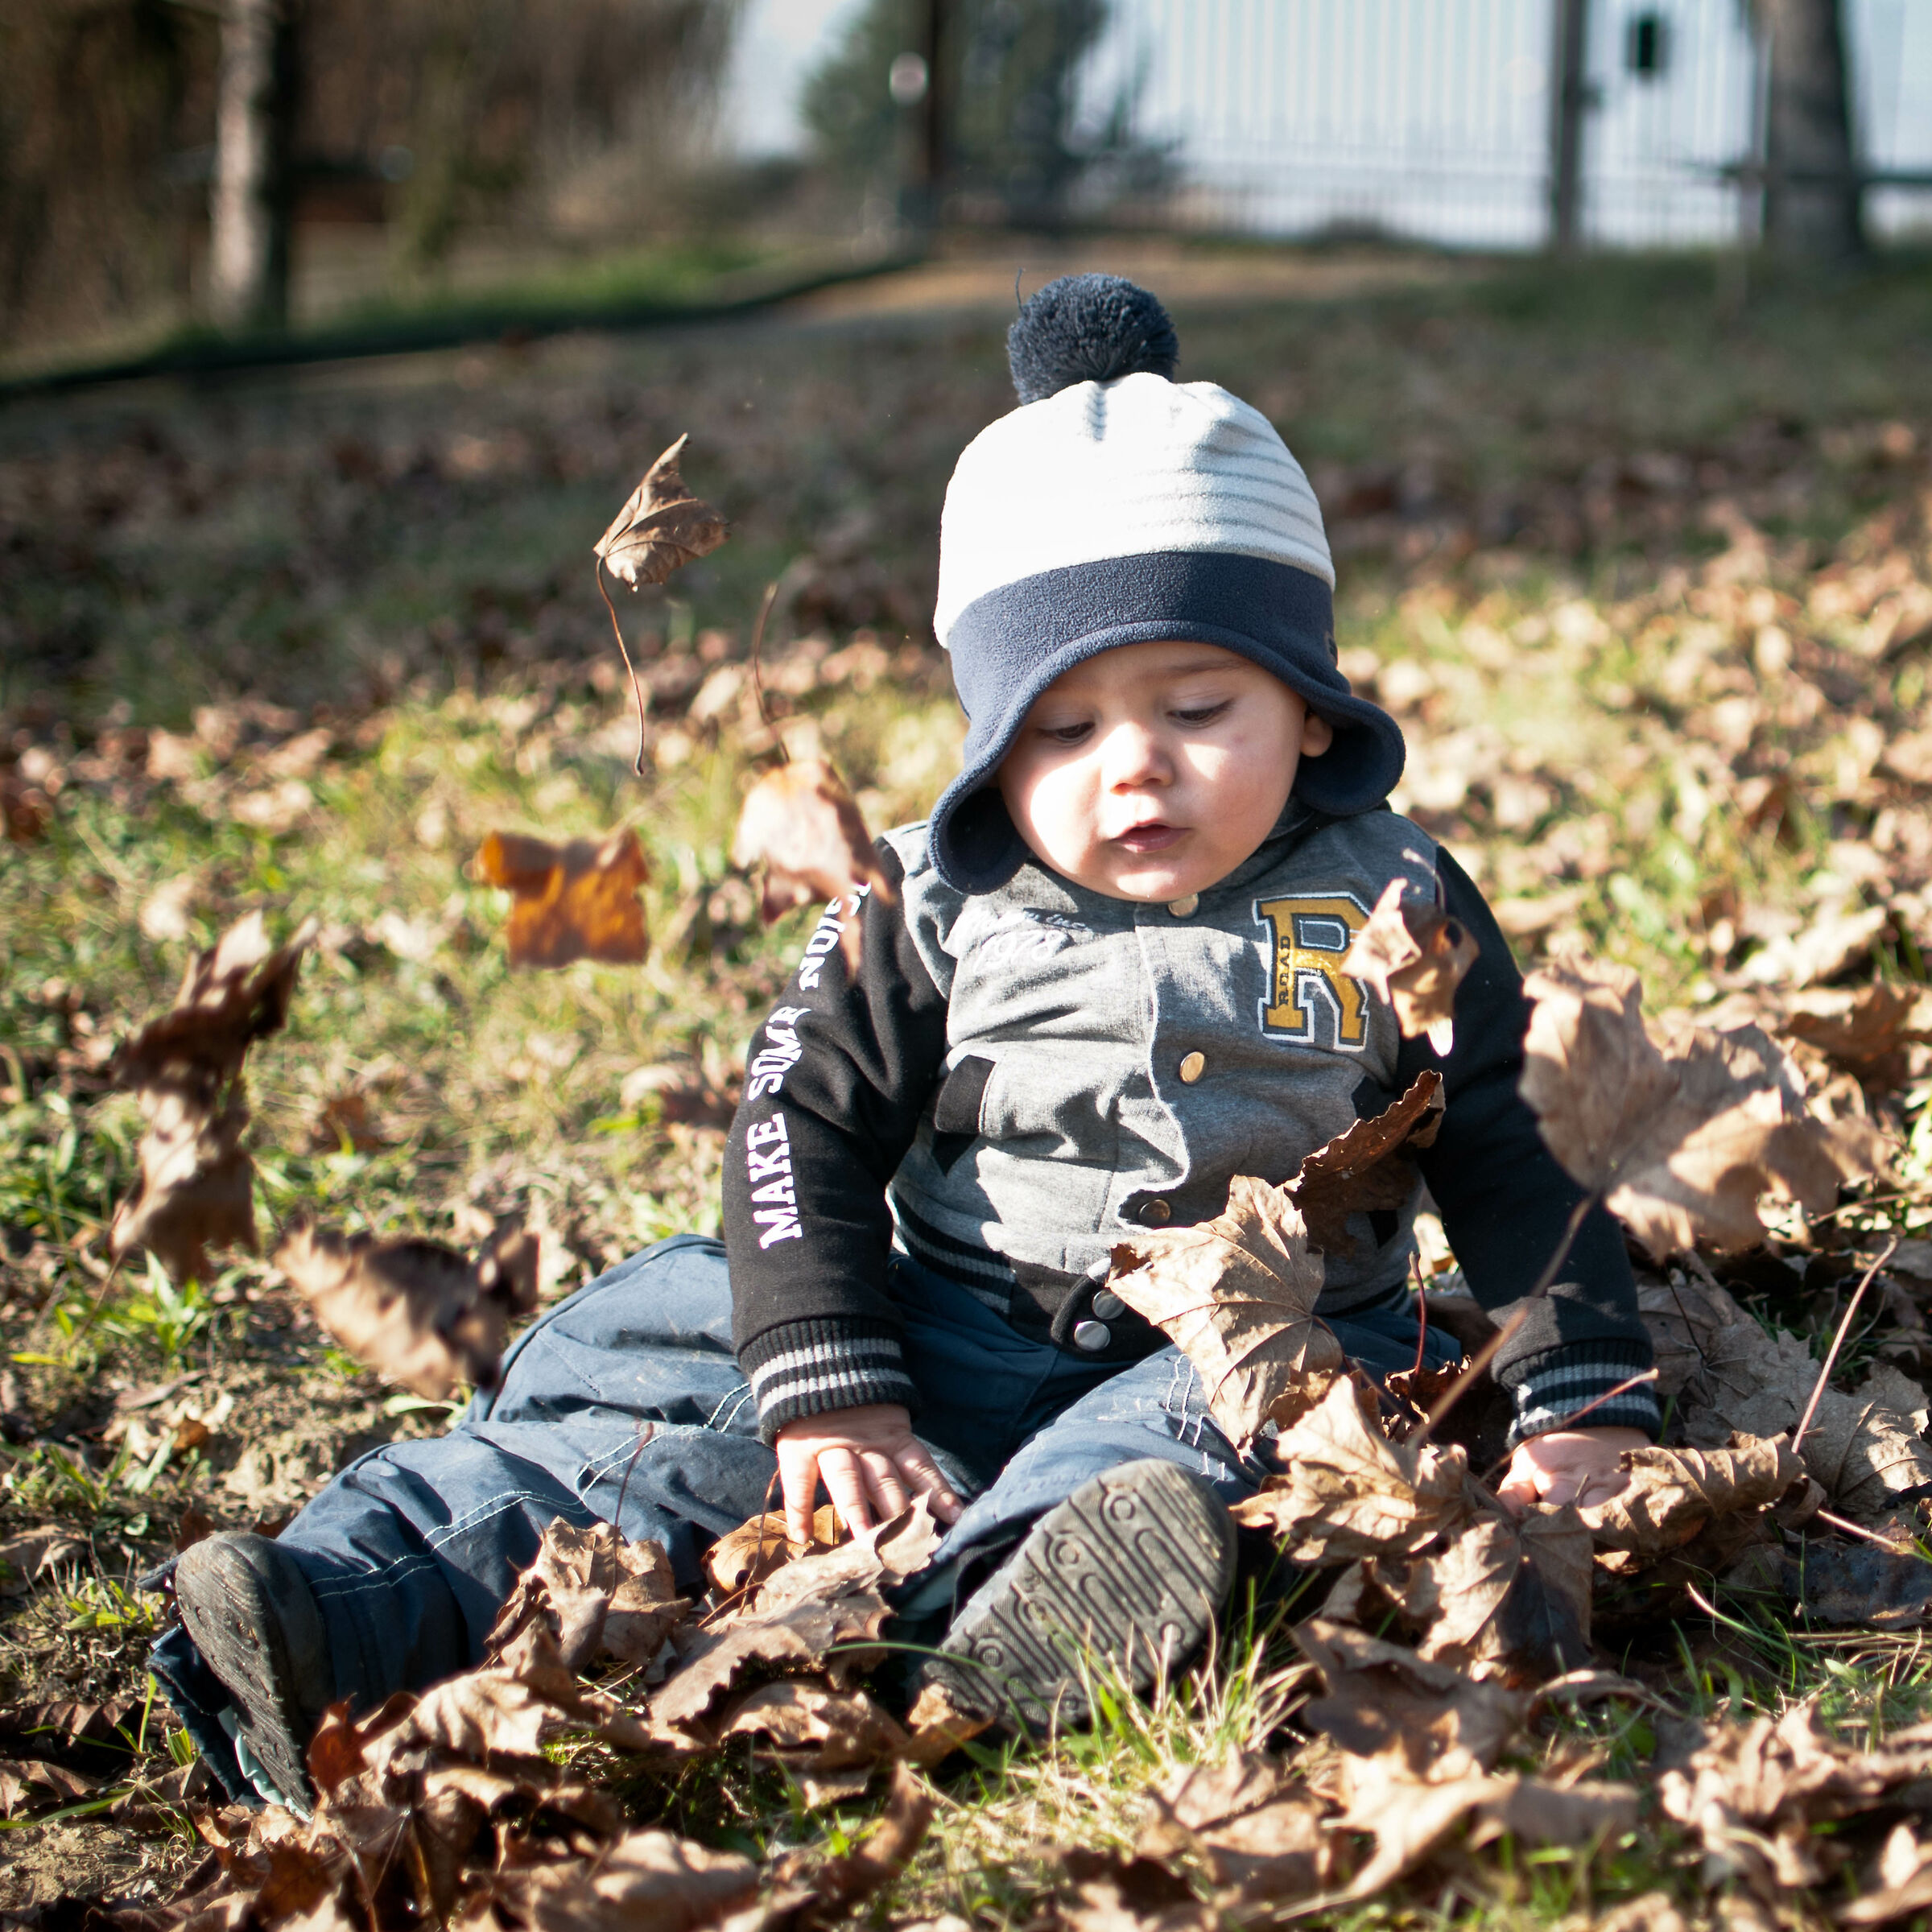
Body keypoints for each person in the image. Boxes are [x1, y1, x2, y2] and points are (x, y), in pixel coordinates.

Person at [151, 275, 1657, 1813]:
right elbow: (794, 1120)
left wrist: (1584, 1391)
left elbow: (1511, 1135)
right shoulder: (925, 895)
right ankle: (338, 1607)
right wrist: (832, 1377)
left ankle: (997, 1627)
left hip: (1252, 1345)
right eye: (1061, 730)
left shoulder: (1393, 894)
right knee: (662, 1449)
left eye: (1200, 706)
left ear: (1315, 711)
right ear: (991, 744)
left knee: (1204, 1466)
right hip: (938, 1321)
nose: (1133, 767)